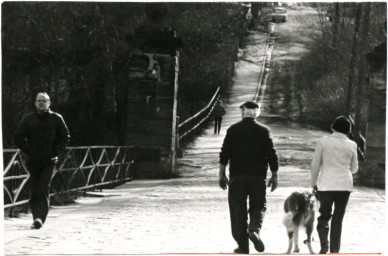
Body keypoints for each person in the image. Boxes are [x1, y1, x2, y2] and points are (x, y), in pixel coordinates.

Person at [219, 101, 279, 254]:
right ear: (256, 113)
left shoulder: (233, 130)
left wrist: (221, 174)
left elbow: (224, 153)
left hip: (237, 176)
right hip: (258, 177)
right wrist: (275, 174)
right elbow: (272, 154)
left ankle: (243, 246)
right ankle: (254, 230)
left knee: (237, 209)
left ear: (242, 112)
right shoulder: (264, 131)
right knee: (258, 206)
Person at [14, 92, 70, 229]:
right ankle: (36, 218)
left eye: (44, 101)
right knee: (34, 190)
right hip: (33, 160)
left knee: (43, 187)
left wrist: (56, 151)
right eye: (38, 100)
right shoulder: (29, 119)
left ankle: (40, 218)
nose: (41, 103)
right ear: (35, 103)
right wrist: (28, 150)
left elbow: (65, 137)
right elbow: (18, 137)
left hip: (49, 160)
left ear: (49, 103)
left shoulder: (56, 118)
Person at [311, 116, 358, 254]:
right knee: (338, 219)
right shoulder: (352, 145)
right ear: (348, 131)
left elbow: (315, 165)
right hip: (345, 185)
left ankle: (324, 245)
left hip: (326, 184)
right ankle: (335, 251)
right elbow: (354, 168)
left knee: (324, 215)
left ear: (333, 127)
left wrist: (313, 184)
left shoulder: (323, 142)